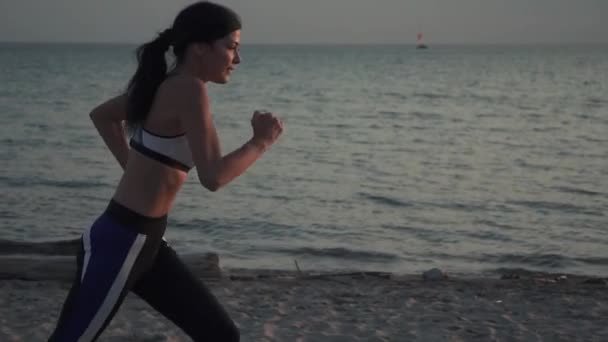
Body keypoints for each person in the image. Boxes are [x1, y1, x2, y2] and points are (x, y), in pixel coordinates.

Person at [48, 2, 283, 341]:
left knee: (220, 334)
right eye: (231, 47)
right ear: (200, 47)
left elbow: (102, 115)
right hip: (121, 242)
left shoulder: (165, 85)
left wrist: (132, 168)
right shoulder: (188, 89)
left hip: (149, 243)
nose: (238, 58)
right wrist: (261, 142)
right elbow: (213, 176)